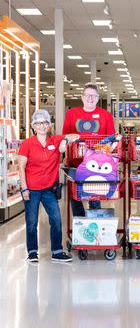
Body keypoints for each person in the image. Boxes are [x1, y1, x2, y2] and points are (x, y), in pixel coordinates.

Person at [18, 109, 78, 263]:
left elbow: (75, 136)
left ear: (49, 125)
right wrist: (24, 188)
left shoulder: (55, 140)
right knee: (32, 222)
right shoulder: (27, 144)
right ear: (33, 126)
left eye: (44, 122)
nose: (41, 126)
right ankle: (32, 252)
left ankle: (57, 252)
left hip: (49, 189)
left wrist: (65, 141)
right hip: (31, 189)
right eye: (38, 123)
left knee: (56, 219)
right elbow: (21, 167)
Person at [62, 83, 115, 217]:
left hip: (96, 165)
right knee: (75, 196)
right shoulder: (72, 113)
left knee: (94, 196)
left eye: (94, 96)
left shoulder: (106, 115)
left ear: (98, 98)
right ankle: (80, 223)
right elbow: (65, 136)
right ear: (82, 97)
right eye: (87, 95)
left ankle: (94, 222)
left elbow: (111, 139)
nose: (90, 98)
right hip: (75, 162)